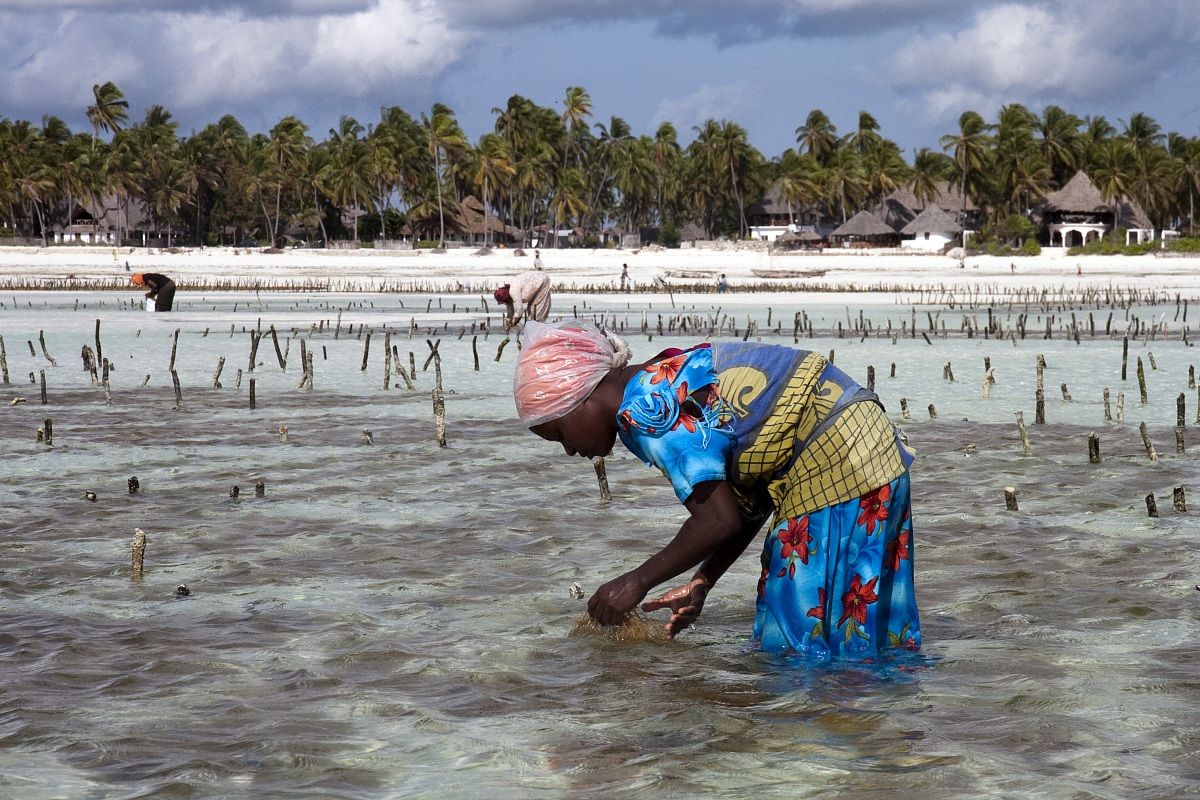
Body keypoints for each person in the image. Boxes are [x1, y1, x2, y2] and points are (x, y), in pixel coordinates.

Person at [513, 320, 921, 660]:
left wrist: (635, 582)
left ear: (578, 397)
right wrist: (703, 580)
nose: (569, 450)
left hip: (836, 460)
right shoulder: (665, 375)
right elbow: (747, 505)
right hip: (869, 448)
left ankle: (807, 750)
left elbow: (718, 521)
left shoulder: (643, 410)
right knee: (864, 641)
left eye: (557, 433)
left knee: (793, 647)